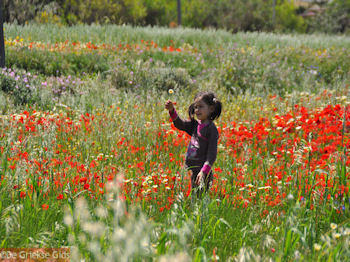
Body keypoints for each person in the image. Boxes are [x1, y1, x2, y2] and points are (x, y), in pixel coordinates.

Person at [165, 91, 222, 197]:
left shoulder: (211, 129)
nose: (197, 110)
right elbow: (180, 124)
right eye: (196, 107)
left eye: (201, 106)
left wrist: (204, 171)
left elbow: (212, 154)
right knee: (192, 200)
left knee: (199, 201)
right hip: (192, 171)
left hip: (202, 173)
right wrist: (172, 111)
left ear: (211, 109)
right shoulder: (195, 125)